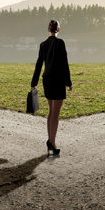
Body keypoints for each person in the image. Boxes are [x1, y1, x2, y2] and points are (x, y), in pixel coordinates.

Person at [31, 20, 72, 155]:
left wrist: (34, 82)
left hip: (46, 79)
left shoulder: (43, 45)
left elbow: (38, 64)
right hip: (58, 79)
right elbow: (64, 63)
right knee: (56, 113)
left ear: (48, 29)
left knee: (51, 112)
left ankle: (50, 140)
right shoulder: (60, 43)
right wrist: (68, 82)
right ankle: (52, 142)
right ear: (58, 30)